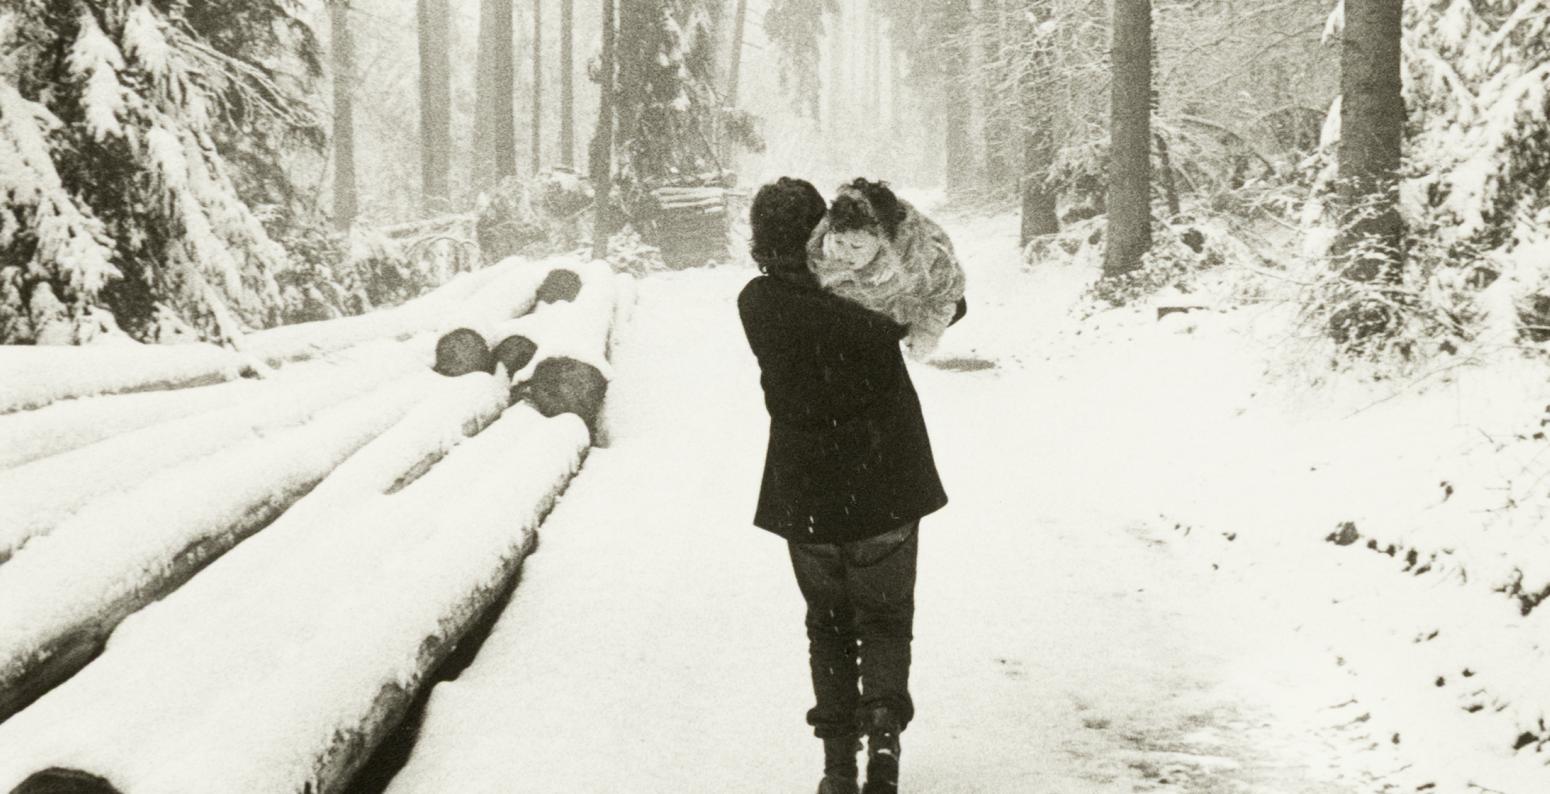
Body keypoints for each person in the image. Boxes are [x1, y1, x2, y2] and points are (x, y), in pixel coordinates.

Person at [737, 177, 964, 794]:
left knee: (827, 624)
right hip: (885, 480)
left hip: (807, 490)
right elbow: (944, 296)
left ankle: (838, 766)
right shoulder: (865, 299)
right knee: (887, 618)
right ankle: (885, 742)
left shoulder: (756, 303)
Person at [805, 179, 967, 360]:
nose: (844, 253)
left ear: (884, 243)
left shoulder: (918, 258)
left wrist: (926, 331)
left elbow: (945, 294)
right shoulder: (820, 250)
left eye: (856, 246)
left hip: (898, 313)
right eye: (839, 241)